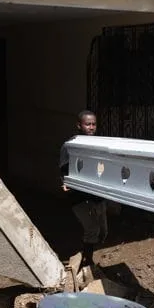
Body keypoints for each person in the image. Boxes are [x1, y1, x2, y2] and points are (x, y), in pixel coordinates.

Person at [59, 110, 107, 268]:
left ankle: (86, 254)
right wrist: (65, 182)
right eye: (88, 124)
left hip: (96, 195)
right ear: (79, 125)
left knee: (102, 232)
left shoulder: (98, 145)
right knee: (91, 228)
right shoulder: (70, 146)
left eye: (94, 124)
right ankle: (87, 262)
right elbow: (64, 169)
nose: (91, 127)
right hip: (79, 196)